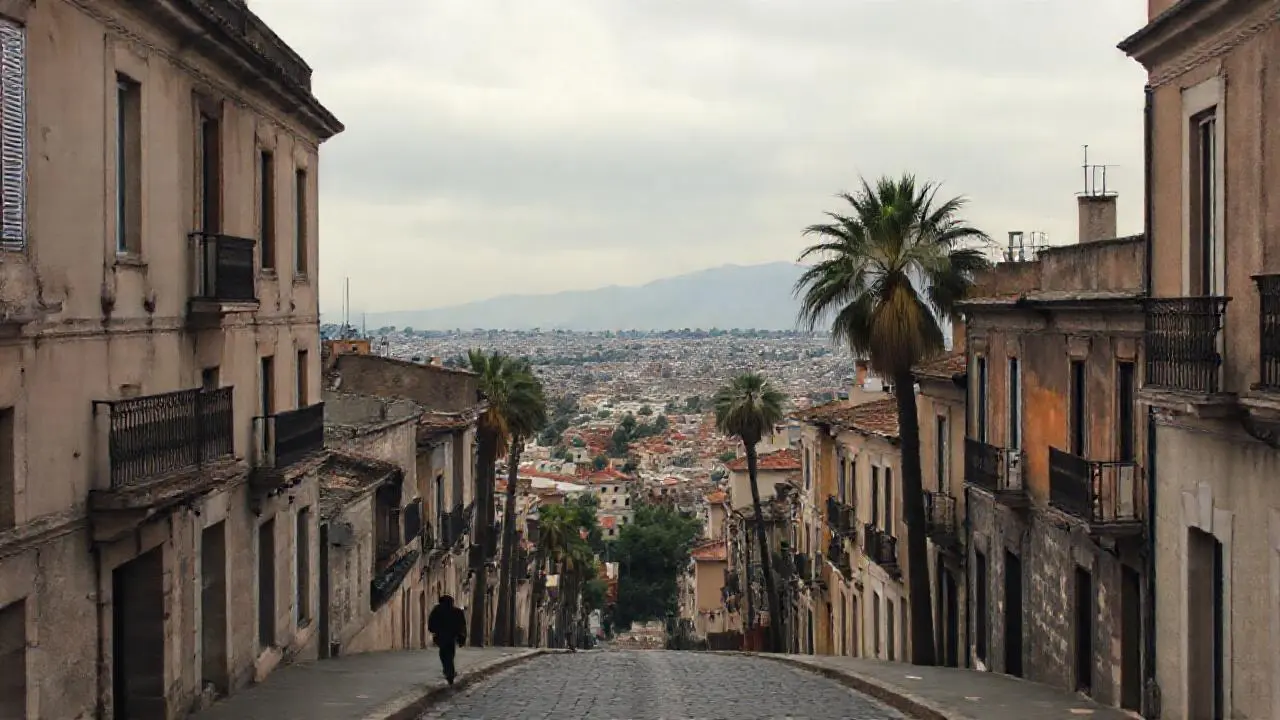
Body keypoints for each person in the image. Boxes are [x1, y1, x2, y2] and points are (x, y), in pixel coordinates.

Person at [427, 595, 467, 684]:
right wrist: (462, 638)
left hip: (441, 637)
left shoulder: (437, 611)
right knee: (450, 654)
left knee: (444, 655)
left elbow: (431, 624)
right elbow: (462, 626)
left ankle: (448, 671)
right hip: (452, 637)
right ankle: (449, 672)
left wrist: (434, 631)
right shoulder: (457, 611)